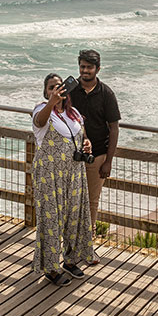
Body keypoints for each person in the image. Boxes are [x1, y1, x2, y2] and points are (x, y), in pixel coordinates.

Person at [31, 73, 94, 286]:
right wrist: (52, 102)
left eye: (59, 87)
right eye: (51, 87)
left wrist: (87, 144)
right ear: (46, 92)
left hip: (74, 173)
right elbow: (39, 123)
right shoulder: (42, 111)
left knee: (73, 217)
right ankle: (50, 267)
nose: (56, 90)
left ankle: (70, 260)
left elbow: (81, 136)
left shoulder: (74, 113)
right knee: (51, 220)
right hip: (50, 175)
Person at [68, 49, 120, 233]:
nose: (85, 71)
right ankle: (70, 240)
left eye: (89, 67)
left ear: (98, 69)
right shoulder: (70, 90)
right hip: (70, 155)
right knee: (70, 199)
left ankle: (87, 242)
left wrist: (108, 161)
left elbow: (113, 128)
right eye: (82, 66)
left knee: (91, 201)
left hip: (97, 155)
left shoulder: (106, 94)